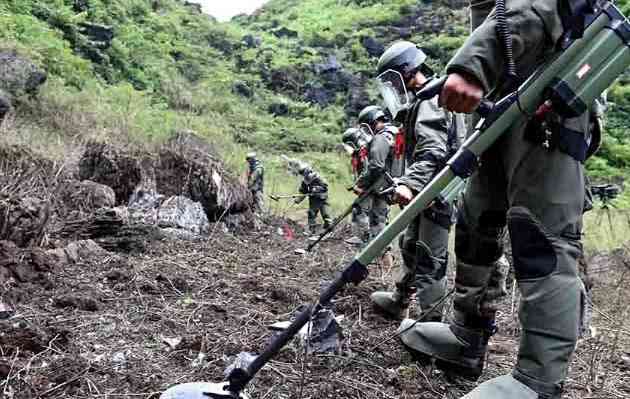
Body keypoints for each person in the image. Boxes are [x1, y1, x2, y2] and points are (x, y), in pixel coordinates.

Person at [398, 1, 596, 397]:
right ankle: (466, 336)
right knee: (477, 224)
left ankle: (537, 381)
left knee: (540, 236)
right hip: (501, 94)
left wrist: (478, 61)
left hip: (548, 92)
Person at [370, 41, 468, 321]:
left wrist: (409, 183)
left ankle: (432, 321)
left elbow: (433, 151)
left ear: (405, 72)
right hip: (429, 188)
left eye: (392, 80)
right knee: (411, 243)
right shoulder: (425, 99)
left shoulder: (429, 101)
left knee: (429, 255)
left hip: (438, 191)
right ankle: (400, 299)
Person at [341, 127, 372, 245]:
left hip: (370, 187)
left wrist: (358, 185)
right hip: (365, 186)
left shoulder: (365, 150)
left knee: (361, 211)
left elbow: (367, 170)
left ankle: (365, 237)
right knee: (358, 210)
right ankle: (361, 236)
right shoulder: (358, 153)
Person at [295, 165, 332, 235]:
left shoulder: (318, 178)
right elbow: (303, 192)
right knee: (311, 214)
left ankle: (329, 230)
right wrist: (298, 199)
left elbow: (325, 187)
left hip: (323, 199)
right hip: (313, 201)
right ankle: (312, 230)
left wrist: (316, 189)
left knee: (326, 214)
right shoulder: (305, 182)